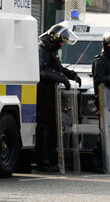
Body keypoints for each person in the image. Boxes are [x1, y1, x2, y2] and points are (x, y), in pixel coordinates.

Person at [36, 23, 80, 172]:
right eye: (61, 42)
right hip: (42, 96)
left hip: (51, 97)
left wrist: (71, 75)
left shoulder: (51, 52)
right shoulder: (42, 50)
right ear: (54, 38)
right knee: (45, 129)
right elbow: (42, 71)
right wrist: (62, 78)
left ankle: (51, 159)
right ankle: (43, 161)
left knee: (52, 128)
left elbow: (58, 69)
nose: (62, 45)